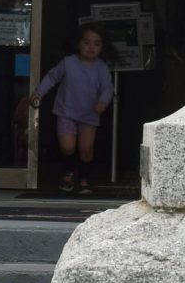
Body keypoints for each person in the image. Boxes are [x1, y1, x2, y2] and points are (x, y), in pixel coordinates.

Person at [17, 26, 114, 194]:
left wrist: (103, 102)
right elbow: (52, 77)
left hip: (90, 114)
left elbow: (107, 88)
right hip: (66, 112)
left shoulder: (101, 67)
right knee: (67, 147)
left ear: (102, 47)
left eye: (96, 44)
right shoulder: (68, 63)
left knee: (86, 149)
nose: (91, 47)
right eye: (87, 42)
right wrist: (39, 93)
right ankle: (69, 172)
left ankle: (84, 178)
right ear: (78, 44)